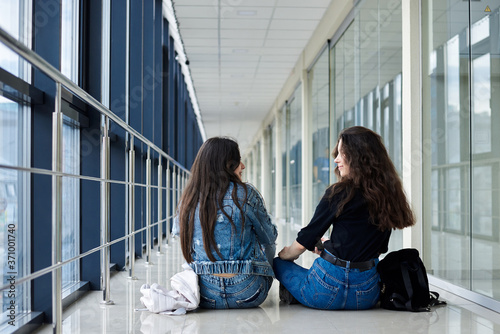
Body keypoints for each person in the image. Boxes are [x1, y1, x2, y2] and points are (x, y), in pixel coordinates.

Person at [273, 126, 415, 310]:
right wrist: (330, 248)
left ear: (358, 157)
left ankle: (297, 294)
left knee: (279, 264)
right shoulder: (388, 196)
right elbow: (378, 249)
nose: (336, 160)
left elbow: (303, 242)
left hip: (325, 291)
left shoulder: (338, 192)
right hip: (366, 296)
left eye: (341, 153)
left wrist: (285, 255)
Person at [177, 137, 277, 309]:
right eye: (238, 161)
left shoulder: (189, 197)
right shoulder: (246, 193)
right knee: (264, 242)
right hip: (249, 291)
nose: (243, 166)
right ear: (227, 165)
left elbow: (179, 233)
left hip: (203, 293)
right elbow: (269, 237)